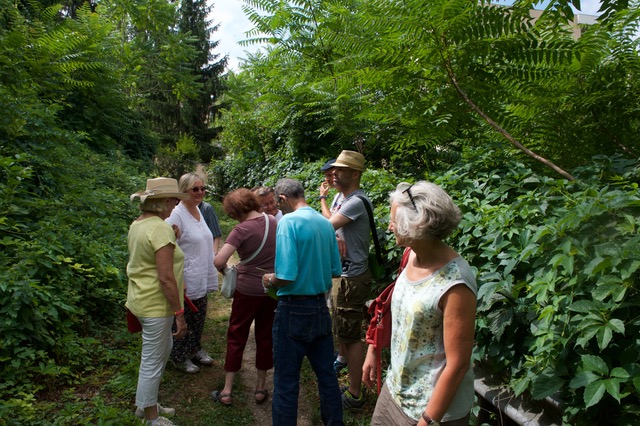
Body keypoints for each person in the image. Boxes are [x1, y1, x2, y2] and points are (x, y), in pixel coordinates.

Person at [363, 181, 477, 426]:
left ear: (415, 227)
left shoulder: (455, 284)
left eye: (394, 220)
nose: (390, 226)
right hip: (395, 391)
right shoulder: (411, 255)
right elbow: (397, 310)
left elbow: (458, 365)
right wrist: (373, 349)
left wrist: (427, 421)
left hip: (429, 410)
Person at [261, 178, 344, 426]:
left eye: (278, 203)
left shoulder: (288, 222)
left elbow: (286, 276)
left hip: (293, 309)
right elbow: (335, 270)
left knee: (286, 380)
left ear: (283, 199)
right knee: (327, 376)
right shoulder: (325, 223)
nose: (278, 207)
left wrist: (269, 279)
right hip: (320, 308)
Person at [126, 177, 189, 426]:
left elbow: (148, 260)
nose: (176, 204)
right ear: (163, 202)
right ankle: (151, 417)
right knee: (152, 360)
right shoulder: (160, 228)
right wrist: (179, 313)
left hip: (140, 299)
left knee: (163, 350)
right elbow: (165, 277)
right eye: (174, 199)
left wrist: (171, 236)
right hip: (156, 305)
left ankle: (147, 402)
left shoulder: (139, 224)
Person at [212, 188, 278, 406]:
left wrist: (226, 271)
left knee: (237, 334)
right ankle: (261, 387)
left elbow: (219, 261)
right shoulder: (272, 221)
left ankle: (227, 389)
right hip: (270, 289)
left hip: (247, 290)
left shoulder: (240, 230)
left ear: (234, 211)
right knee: (265, 336)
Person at [328, 150, 373, 409]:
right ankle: (349, 374)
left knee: (352, 335)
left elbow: (324, 227)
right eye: (335, 168)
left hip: (351, 277)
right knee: (344, 330)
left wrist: (330, 232)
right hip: (342, 274)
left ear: (355, 174)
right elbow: (329, 226)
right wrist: (333, 235)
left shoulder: (356, 201)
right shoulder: (340, 197)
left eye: (341, 169)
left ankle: (355, 394)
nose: (334, 172)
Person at [165, 173, 218, 374]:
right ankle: (179, 356)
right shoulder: (176, 215)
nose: (200, 192)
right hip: (186, 275)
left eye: (203, 188)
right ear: (183, 191)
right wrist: (179, 279)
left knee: (199, 315)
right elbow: (169, 248)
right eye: (195, 189)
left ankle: (194, 348)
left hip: (200, 272)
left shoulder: (198, 210)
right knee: (183, 318)